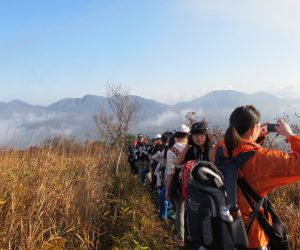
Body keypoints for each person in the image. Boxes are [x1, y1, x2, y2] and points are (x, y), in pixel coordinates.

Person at [211, 105, 300, 249]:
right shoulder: (262, 158)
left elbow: (238, 151)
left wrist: (254, 138)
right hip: (252, 235)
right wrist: (290, 135)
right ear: (253, 128)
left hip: (226, 227)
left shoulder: (218, 150)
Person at [165, 124, 190, 247]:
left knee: (180, 211)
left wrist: (168, 189)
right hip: (194, 184)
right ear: (188, 135)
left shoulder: (172, 151)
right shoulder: (192, 148)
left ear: (175, 136)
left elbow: (170, 172)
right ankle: (192, 235)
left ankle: (180, 237)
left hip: (178, 184)